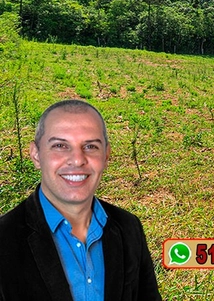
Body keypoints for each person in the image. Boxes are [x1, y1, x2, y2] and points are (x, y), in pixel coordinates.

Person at [0, 99, 162, 301]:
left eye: (91, 146)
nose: (77, 160)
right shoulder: (4, 239)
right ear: (36, 154)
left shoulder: (129, 227)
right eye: (60, 145)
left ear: (106, 155)